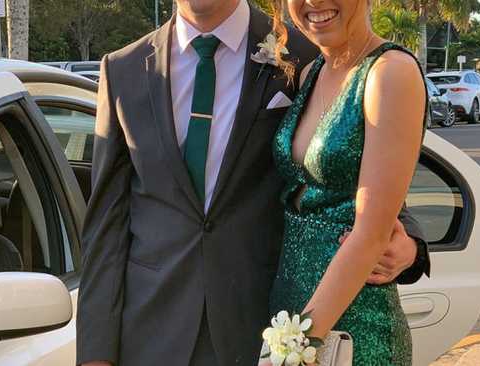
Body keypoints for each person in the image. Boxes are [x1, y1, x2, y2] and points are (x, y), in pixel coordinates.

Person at [76, 0, 429, 365]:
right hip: (152, 333)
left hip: (266, 325)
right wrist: (95, 354)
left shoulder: (307, 50)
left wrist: (408, 245)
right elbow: (105, 225)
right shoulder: (123, 70)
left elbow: (359, 169)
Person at [267, 0, 428, 365]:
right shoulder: (311, 72)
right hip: (290, 309)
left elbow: (372, 232)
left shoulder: (390, 72)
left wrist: (294, 349)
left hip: (352, 326)